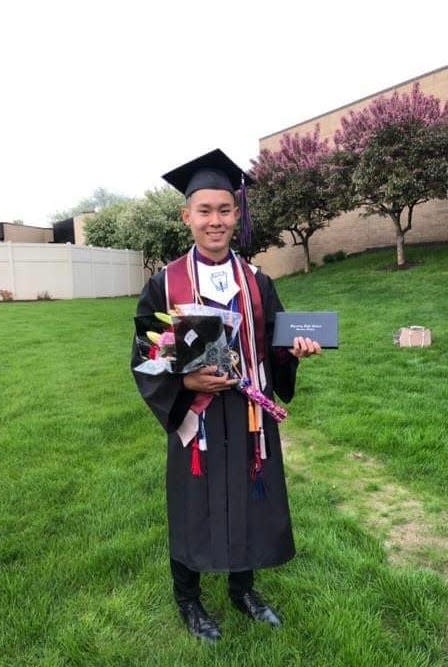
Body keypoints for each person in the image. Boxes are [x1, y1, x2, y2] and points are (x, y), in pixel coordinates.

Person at [131, 149, 321, 642]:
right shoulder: (164, 284)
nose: (214, 221)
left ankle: (243, 591)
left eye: (224, 210)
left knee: (250, 499)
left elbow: (276, 347)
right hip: (195, 419)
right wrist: (185, 383)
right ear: (186, 216)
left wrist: (294, 352)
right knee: (192, 505)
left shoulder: (257, 282)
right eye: (204, 211)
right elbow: (147, 356)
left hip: (248, 416)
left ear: (237, 214)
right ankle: (189, 600)